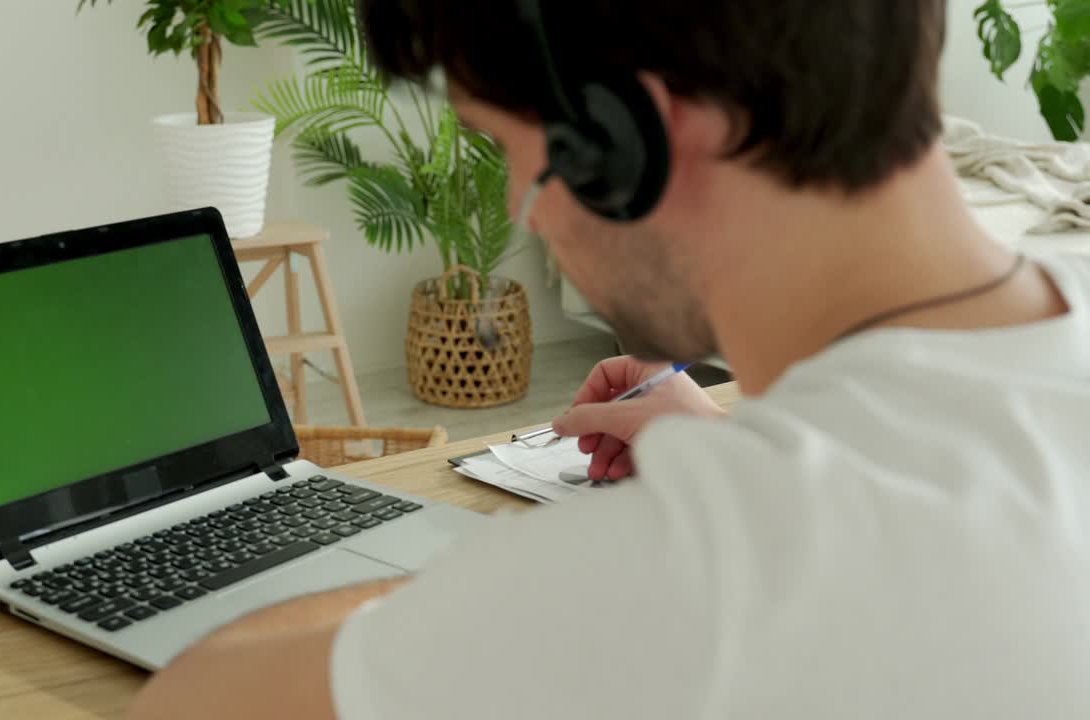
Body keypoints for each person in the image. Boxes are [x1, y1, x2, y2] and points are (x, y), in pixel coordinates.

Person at [129, 1, 1090, 717]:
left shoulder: (694, 579)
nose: (519, 208)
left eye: (502, 146)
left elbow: (184, 703)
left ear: (623, 141)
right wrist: (733, 448)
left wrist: (496, 593)